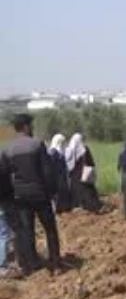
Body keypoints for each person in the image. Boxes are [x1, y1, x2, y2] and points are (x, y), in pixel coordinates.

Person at [1, 115, 62, 276]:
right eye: (31, 126)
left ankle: (31, 265)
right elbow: (47, 171)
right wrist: (53, 192)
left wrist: (9, 198)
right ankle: (55, 263)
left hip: (20, 197)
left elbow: (4, 177)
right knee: (50, 229)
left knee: (27, 230)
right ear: (26, 127)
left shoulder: (7, 149)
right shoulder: (37, 145)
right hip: (40, 194)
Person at [65, 133, 102, 213]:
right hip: (84, 174)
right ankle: (91, 206)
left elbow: (68, 163)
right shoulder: (85, 149)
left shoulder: (70, 149)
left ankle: (77, 205)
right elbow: (91, 162)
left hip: (74, 175)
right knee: (87, 190)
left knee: (75, 190)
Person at [47, 134, 73, 212]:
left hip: (61, 178)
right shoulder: (53, 153)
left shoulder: (59, 152)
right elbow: (51, 167)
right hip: (56, 179)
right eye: (62, 142)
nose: (64, 144)